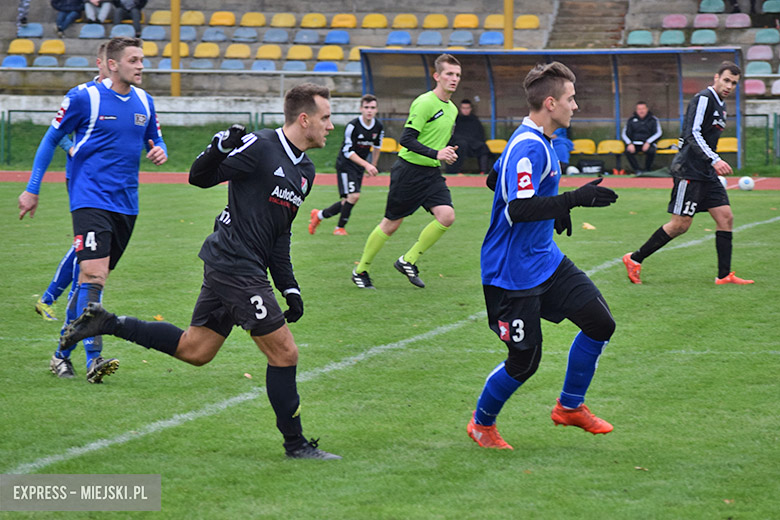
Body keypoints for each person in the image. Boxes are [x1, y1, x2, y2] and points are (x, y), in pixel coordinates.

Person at [61, 83, 342, 460]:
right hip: (235, 264)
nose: (331, 126)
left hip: (240, 265)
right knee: (285, 353)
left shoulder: (305, 171)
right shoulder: (260, 146)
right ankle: (296, 445)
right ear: (304, 119)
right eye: (326, 118)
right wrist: (218, 147)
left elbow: (280, 232)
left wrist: (289, 287)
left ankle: (106, 322)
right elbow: (200, 176)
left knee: (196, 350)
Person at [468, 62, 619, 450]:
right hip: (511, 273)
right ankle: (482, 425)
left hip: (545, 260)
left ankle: (570, 407)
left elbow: (495, 178)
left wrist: (552, 209)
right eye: (571, 98)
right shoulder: (529, 146)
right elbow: (518, 208)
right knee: (524, 363)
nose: (576, 106)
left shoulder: (540, 140)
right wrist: (572, 199)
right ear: (550, 103)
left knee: (600, 323)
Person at [18, 37, 168, 382]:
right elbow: (51, 138)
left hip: (127, 204)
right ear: (112, 64)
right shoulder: (84, 97)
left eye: (142, 59)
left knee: (90, 282)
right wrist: (32, 188)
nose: (141, 66)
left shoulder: (145, 100)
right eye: (134, 60)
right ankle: (94, 358)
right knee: (94, 274)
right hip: (90, 198)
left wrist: (159, 149)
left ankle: (61, 355)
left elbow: (155, 138)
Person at [622, 62, 753, 286]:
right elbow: (692, 133)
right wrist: (715, 159)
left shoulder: (721, 105)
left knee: (725, 217)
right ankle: (634, 259)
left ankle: (724, 276)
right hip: (689, 171)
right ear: (716, 78)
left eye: (734, 83)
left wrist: (711, 162)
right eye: (726, 80)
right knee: (680, 224)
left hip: (706, 172)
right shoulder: (704, 98)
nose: (729, 86)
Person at [351, 53, 461, 289]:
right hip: (409, 172)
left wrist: (447, 152)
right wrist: (436, 153)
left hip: (431, 173)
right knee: (391, 224)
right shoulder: (425, 102)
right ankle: (360, 271)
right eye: (449, 74)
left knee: (447, 216)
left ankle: (407, 260)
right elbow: (407, 140)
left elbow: (436, 142)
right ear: (437, 76)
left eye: (457, 75)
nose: (454, 79)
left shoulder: (452, 109)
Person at [33, 43, 110, 323]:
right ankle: (62, 303)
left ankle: (52, 299)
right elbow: (56, 132)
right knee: (88, 246)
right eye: (108, 62)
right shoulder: (82, 94)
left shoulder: (126, 97)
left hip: (109, 185)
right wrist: (71, 147)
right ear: (100, 63)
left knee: (89, 245)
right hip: (81, 180)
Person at [308, 94, 383, 236]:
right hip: (346, 165)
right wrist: (367, 165)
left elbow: (377, 146)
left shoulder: (378, 126)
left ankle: (319, 215)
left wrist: (373, 165)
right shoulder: (353, 126)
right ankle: (339, 228)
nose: (369, 111)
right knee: (353, 196)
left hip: (359, 166)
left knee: (348, 200)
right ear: (361, 109)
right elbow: (348, 152)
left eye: (372, 108)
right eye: (366, 107)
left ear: (376, 110)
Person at [445, 99, 491, 175]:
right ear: (460, 109)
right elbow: (452, 134)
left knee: (483, 147)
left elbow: (480, 134)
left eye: (467, 108)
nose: (465, 110)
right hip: (460, 143)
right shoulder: (456, 119)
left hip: (473, 143)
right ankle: (456, 171)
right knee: (461, 144)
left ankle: (484, 171)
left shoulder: (475, 120)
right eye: (463, 108)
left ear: (470, 109)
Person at [621, 101, 662, 174]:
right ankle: (637, 170)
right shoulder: (631, 120)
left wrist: (648, 142)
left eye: (643, 109)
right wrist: (629, 143)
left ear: (647, 109)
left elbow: (659, 133)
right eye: (639, 109)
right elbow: (624, 134)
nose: (641, 111)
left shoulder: (653, 119)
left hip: (648, 144)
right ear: (636, 110)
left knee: (651, 151)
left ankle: (647, 170)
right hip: (634, 143)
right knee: (628, 151)